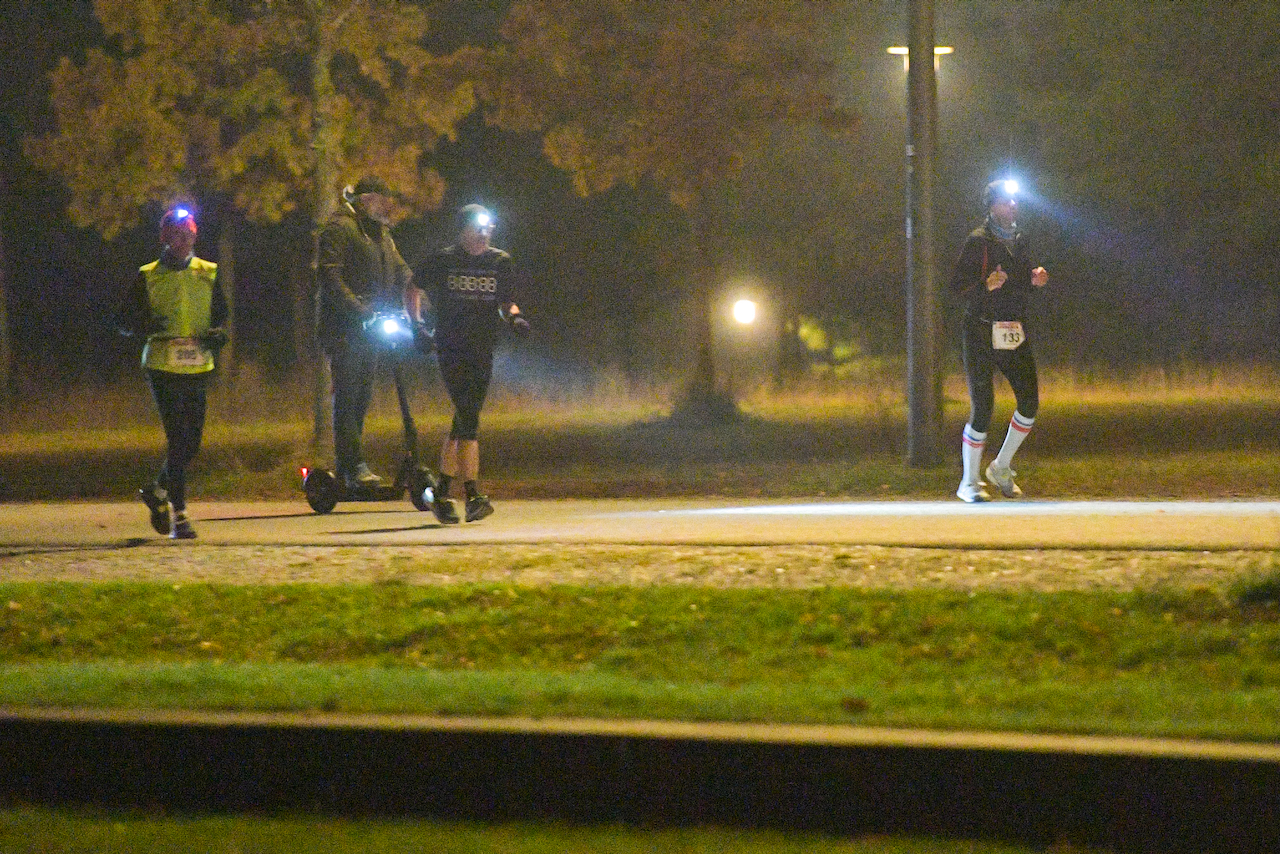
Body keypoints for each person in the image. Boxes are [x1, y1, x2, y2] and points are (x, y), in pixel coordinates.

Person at [412, 203, 530, 524]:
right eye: (479, 228)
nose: (485, 233)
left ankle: (441, 492)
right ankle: (472, 494)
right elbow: (413, 286)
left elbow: (506, 302)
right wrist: (418, 325)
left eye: (489, 228)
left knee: (465, 420)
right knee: (467, 415)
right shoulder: (445, 260)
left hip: (483, 349)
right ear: (463, 229)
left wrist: (515, 318)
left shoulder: (500, 262)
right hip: (451, 348)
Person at [116, 206, 229, 538]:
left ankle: (157, 490)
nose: (183, 240)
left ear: (195, 236)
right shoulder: (148, 275)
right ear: (164, 238)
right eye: (176, 234)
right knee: (177, 437)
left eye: (189, 233)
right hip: (163, 366)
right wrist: (145, 325)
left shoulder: (209, 271)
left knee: (191, 442)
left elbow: (221, 313)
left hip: (197, 365)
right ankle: (180, 516)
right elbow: (122, 321)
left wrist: (219, 334)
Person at [948, 179, 1049, 503]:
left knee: (1030, 402)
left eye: (1016, 202)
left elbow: (1020, 282)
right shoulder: (978, 242)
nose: (1013, 207)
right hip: (979, 331)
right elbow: (955, 288)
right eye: (1007, 202)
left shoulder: (1020, 240)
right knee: (983, 407)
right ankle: (969, 482)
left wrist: (1034, 280)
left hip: (1012, 330)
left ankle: (1001, 467)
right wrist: (984, 286)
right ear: (992, 206)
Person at [316, 176, 413, 491]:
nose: (388, 208)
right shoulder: (340, 228)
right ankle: (353, 466)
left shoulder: (382, 236)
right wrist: (358, 310)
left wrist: (418, 290)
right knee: (348, 396)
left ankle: (350, 469)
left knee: (361, 397)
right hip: (345, 329)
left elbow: (401, 270)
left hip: (371, 330)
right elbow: (330, 276)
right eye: (383, 201)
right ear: (366, 199)